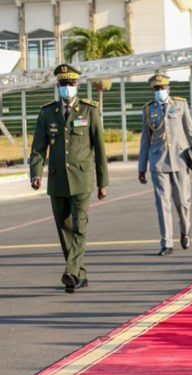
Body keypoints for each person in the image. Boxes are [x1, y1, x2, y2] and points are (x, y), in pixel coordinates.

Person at [29, 63, 109, 293]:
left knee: (80, 226)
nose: (67, 88)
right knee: (64, 228)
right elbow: (38, 148)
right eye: (63, 84)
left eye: (71, 84)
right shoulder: (47, 113)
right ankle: (79, 275)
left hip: (82, 180)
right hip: (57, 181)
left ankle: (70, 271)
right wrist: (36, 174)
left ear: (78, 85)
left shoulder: (89, 110)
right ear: (58, 86)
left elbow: (100, 150)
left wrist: (103, 183)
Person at [138, 74, 192, 256]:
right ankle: (166, 242)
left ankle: (185, 230)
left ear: (169, 89)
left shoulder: (180, 105)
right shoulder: (148, 110)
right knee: (162, 203)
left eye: (163, 88)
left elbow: (190, 132)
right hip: (158, 163)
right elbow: (145, 140)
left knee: (183, 202)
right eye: (156, 89)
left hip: (180, 160)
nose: (160, 91)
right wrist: (141, 167)